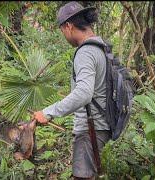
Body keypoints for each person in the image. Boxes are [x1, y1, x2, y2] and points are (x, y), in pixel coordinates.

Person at [32, 1, 111, 179]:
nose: (64, 36)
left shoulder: (86, 52)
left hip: (91, 129)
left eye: (62, 31)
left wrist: (48, 112)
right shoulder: (101, 47)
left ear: (68, 26)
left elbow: (84, 93)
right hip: (102, 126)